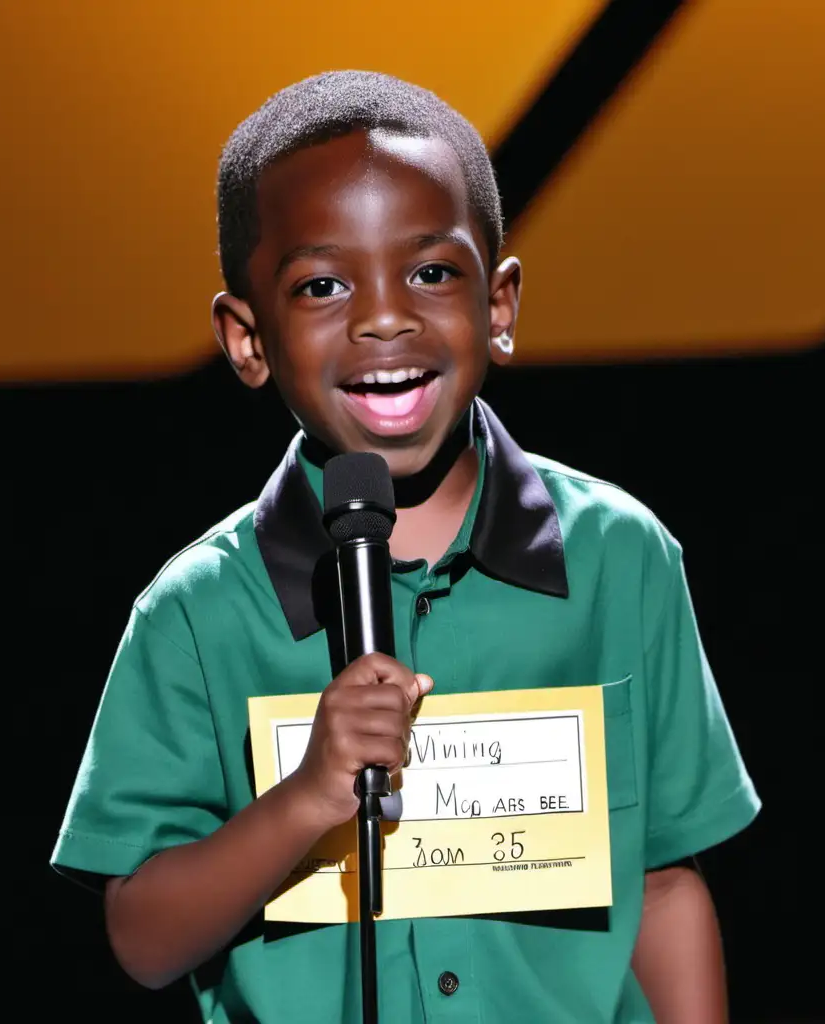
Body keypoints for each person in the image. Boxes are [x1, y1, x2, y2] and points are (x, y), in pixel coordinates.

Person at [51, 70, 760, 1022]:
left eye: (430, 272)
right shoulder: (198, 613)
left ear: (499, 304)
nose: (385, 316)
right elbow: (141, 938)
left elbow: (665, 886)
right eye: (323, 284)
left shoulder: (618, 558)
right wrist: (304, 799)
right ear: (246, 338)